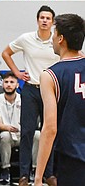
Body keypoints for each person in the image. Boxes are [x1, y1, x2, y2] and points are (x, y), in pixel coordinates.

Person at [1, 5, 59, 186]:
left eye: (48, 18)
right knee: (26, 131)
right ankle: (24, 175)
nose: (44, 20)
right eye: (42, 17)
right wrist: (17, 73)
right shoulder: (26, 38)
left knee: (50, 132)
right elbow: (6, 53)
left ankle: (48, 173)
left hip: (51, 91)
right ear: (37, 20)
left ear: (52, 22)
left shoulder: (57, 40)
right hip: (31, 89)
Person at [34, 13, 85, 186]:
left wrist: (39, 176)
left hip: (73, 158)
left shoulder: (50, 75)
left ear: (61, 39)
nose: (52, 38)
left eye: (55, 34)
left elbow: (49, 128)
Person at [0, 72, 40, 185]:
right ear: (2, 84)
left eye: (12, 82)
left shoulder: (25, 99)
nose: (9, 85)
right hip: (7, 134)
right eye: (6, 82)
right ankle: (5, 170)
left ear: (17, 85)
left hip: (23, 134)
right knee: (4, 136)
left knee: (38, 135)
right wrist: (7, 127)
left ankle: (34, 170)